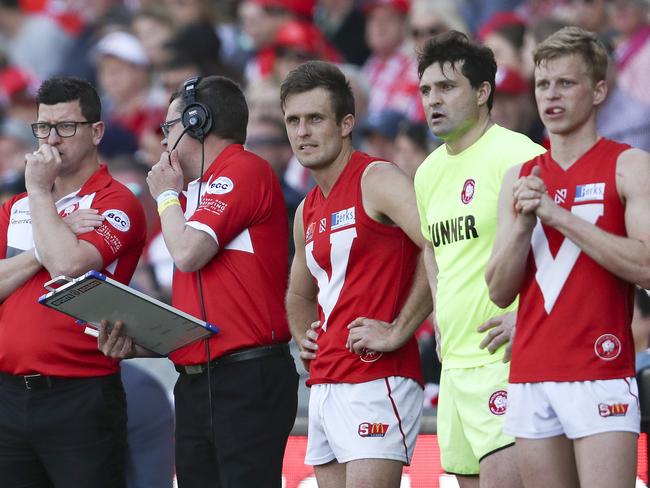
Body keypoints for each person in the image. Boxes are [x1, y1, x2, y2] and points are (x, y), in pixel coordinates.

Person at [99, 75, 299, 488]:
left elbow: (188, 254)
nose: (163, 140)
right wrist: (145, 341)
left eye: (168, 128)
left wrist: (165, 196)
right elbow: (205, 304)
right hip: (196, 381)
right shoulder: (193, 191)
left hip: (246, 378)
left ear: (198, 122)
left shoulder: (243, 167)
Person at [486, 26, 650, 488]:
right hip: (532, 373)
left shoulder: (629, 164)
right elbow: (499, 291)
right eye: (542, 84)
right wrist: (522, 226)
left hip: (601, 369)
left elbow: (646, 267)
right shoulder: (519, 176)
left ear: (599, 90)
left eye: (566, 83)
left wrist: (558, 216)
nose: (550, 96)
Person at [282, 60, 431, 488]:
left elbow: (437, 245)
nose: (302, 131)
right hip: (325, 380)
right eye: (294, 120)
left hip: (378, 375)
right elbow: (298, 294)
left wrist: (401, 329)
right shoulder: (305, 209)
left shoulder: (378, 177)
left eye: (315, 118)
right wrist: (302, 334)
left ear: (347, 123)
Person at [0, 76, 146, 487]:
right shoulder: (17, 207)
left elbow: (67, 267)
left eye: (66, 127)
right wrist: (46, 243)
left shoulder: (116, 201)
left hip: (80, 393)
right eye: (43, 127)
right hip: (9, 393)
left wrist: (39, 191)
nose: (51, 140)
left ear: (96, 131)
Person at [414, 31, 545, 486]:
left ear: (483, 92)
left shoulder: (521, 156)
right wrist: (443, 327)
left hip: (506, 360)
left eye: (447, 88)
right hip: (455, 366)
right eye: (426, 90)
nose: (433, 100)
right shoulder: (428, 173)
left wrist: (529, 316)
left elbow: (565, 251)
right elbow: (432, 252)